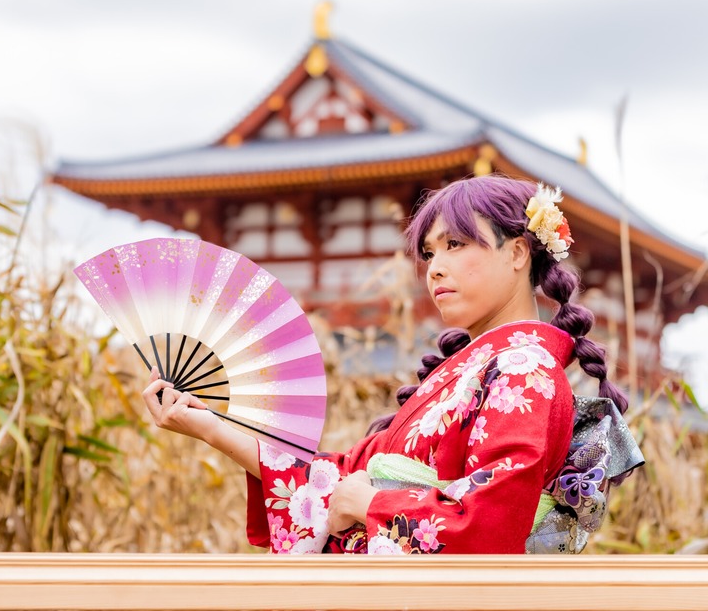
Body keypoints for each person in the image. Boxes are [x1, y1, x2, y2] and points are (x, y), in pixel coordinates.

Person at [143, 174, 634, 554]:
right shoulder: (466, 373)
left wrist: (374, 504)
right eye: (429, 252)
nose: (435, 267)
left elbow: (492, 520)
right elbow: (338, 475)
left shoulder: (524, 371)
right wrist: (208, 426)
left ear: (519, 254)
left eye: (456, 245)